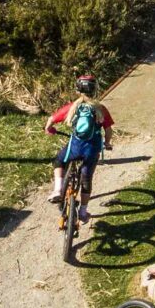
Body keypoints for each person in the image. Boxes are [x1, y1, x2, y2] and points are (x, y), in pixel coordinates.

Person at [47, 75, 113, 227]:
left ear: (78, 90)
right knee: (86, 179)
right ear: (95, 90)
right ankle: (83, 212)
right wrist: (107, 143)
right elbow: (108, 130)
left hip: (75, 147)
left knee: (59, 160)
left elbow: (51, 119)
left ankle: (57, 190)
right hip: (92, 150)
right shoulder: (100, 109)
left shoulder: (73, 107)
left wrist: (49, 129)